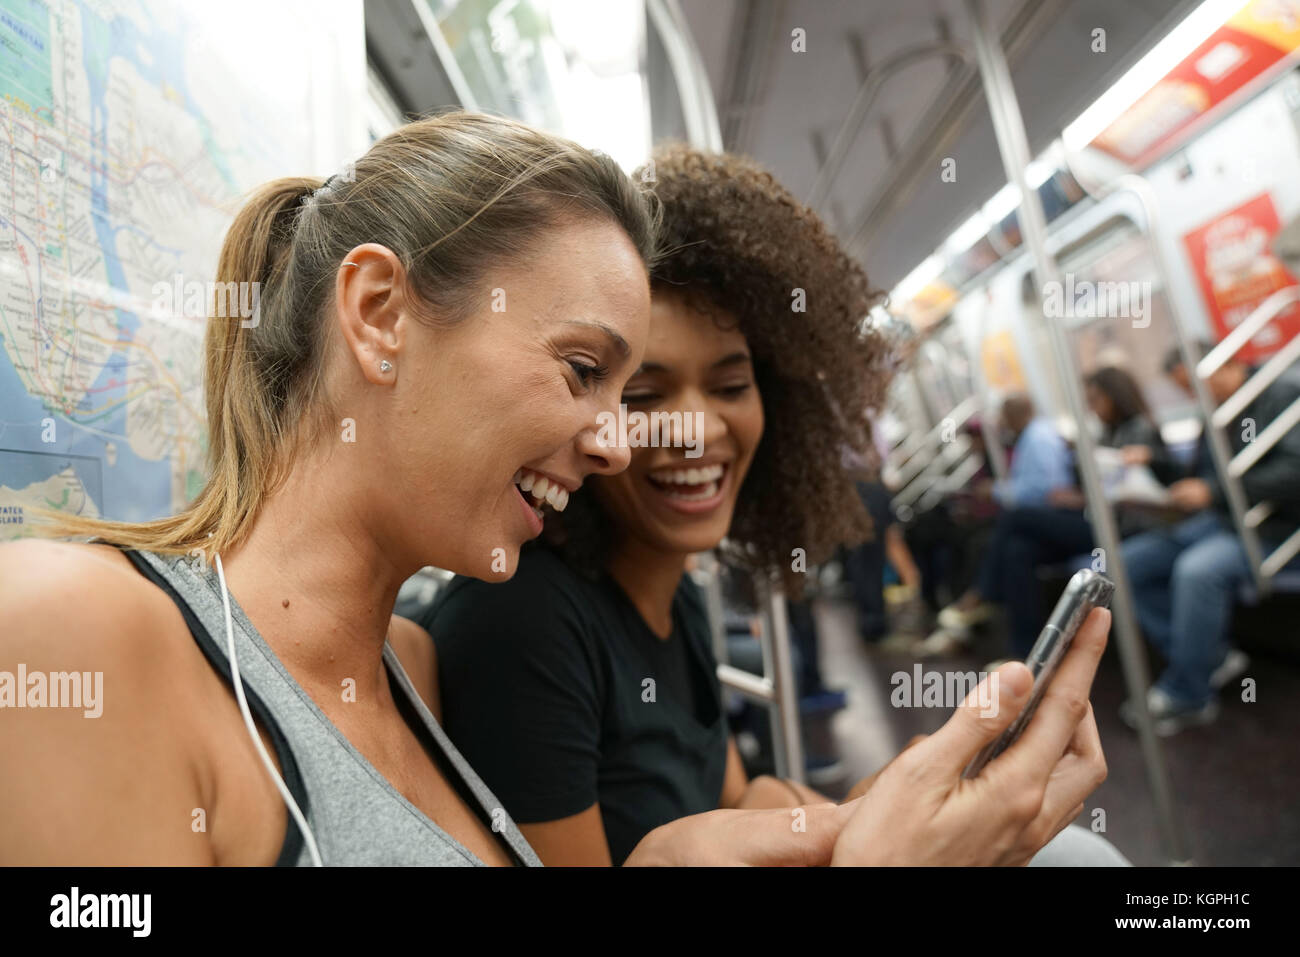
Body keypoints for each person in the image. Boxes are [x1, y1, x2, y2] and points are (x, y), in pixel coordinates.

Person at [0, 112, 1114, 868]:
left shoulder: (415, 677)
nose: (617, 445)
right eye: (585, 372)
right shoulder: (74, 632)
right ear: (380, 314)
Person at [418, 146, 1122, 866]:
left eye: (729, 387)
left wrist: (907, 793)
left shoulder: (675, 594)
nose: (699, 429)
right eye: (642, 395)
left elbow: (737, 804)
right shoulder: (523, 620)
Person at [1120, 344, 1300, 734]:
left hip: (1274, 528)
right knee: (1126, 564)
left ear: (1228, 364)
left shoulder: (1281, 393)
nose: (1194, 396)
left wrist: (1214, 492)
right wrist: (1155, 463)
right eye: (1185, 389)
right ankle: (1209, 658)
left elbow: (1294, 473)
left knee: (1196, 570)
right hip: (1222, 523)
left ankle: (1189, 694)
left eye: (1195, 384)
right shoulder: (1217, 411)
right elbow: (1199, 476)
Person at [928, 370, 1169, 657]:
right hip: (1096, 518)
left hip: (1118, 527)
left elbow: (1146, 487)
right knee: (1019, 550)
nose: (1091, 407)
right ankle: (1024, 651)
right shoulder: (1103, 433)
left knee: (1016, 518)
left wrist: (1081, 497)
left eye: (1095, 399)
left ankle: (981, 594)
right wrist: (1079, 495)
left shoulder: (1139, 432)